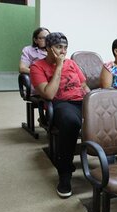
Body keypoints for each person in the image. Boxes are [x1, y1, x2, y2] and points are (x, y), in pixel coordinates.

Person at [30, 32, 90, 198]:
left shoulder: (72, 63)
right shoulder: (37, 67)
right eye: (58, 47)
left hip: (82, 101)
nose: (63, 51)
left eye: (65, 48)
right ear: (48, 48)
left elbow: (84, 85)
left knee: (114, 114)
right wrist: (59, 66)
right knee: (70, 122)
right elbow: (48, 94)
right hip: (61, 103)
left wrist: (95, 101)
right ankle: (65, 173)